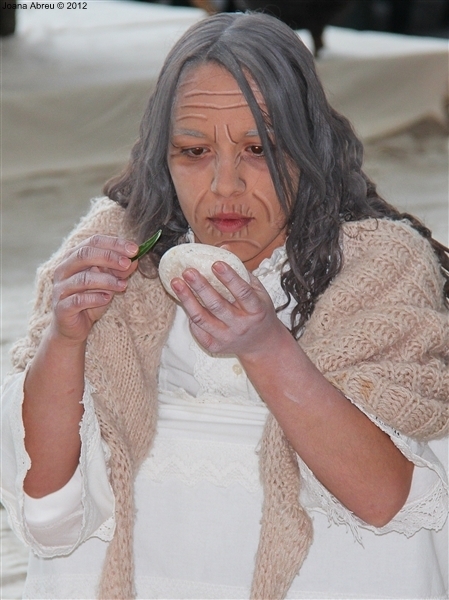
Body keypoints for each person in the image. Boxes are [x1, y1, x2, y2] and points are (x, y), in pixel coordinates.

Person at [1, 11, 448, 600]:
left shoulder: (381, 266)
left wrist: (267, 348)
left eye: (258, 149)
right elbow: (46, 509)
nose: (225, 185)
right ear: (162, 157)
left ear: (308, 149)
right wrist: (64, 339)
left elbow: (385, 501)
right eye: (194, 151)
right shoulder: (112, 251)